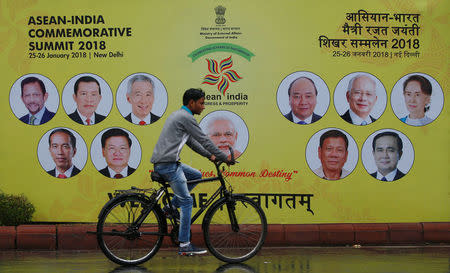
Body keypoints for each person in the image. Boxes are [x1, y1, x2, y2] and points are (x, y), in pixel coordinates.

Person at [151, 88, 231, 256]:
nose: (203, 107)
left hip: (167, 163)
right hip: (168, 165)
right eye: (201, 103)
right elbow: (204, 140)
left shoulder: (180, 116)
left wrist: (210, 156)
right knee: (187, 202)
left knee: (196, 176)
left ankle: (170, 208)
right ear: (191, 103)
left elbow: (192, 143)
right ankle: (185, 245)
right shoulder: (186, 117)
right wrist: (224, 157)